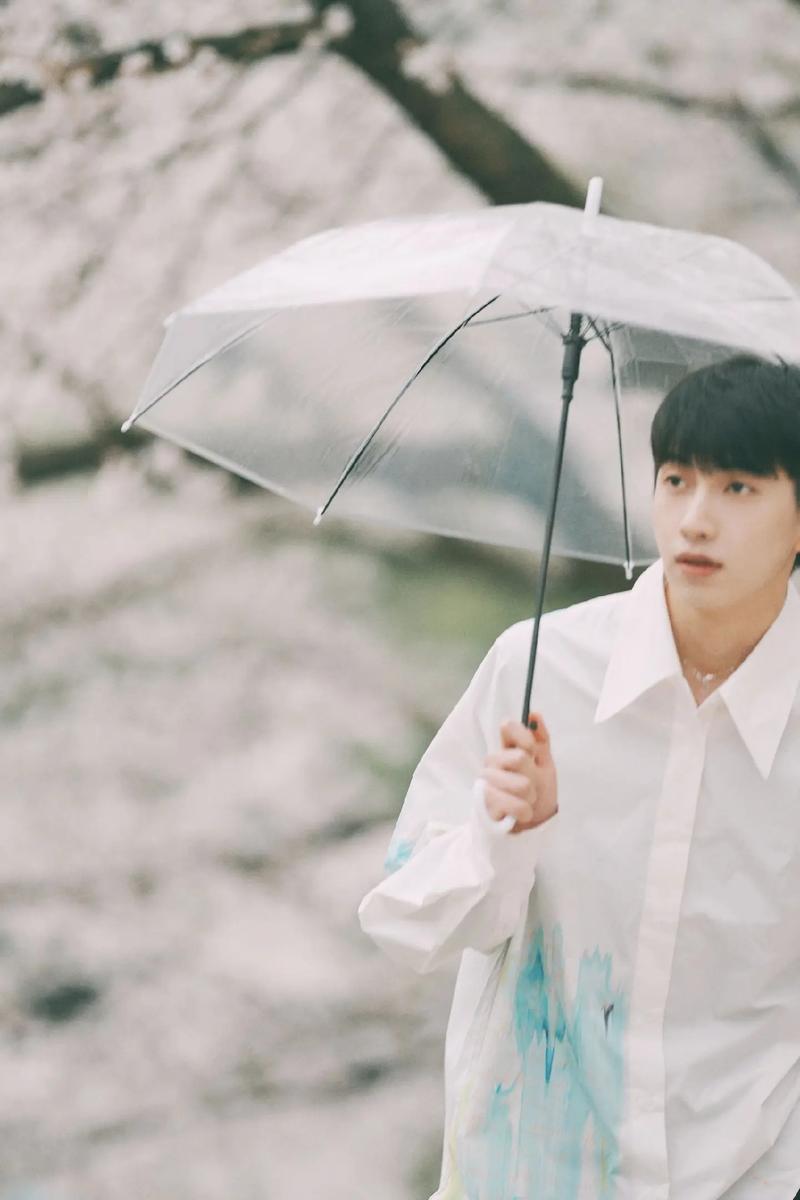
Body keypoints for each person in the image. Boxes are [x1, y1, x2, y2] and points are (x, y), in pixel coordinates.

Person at [357, 353, 800, 1200]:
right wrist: (502, 832)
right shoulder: (541, 668)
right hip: (526, 1171)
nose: (696, 520)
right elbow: (407, 925)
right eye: (676, 481)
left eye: (738, 488)